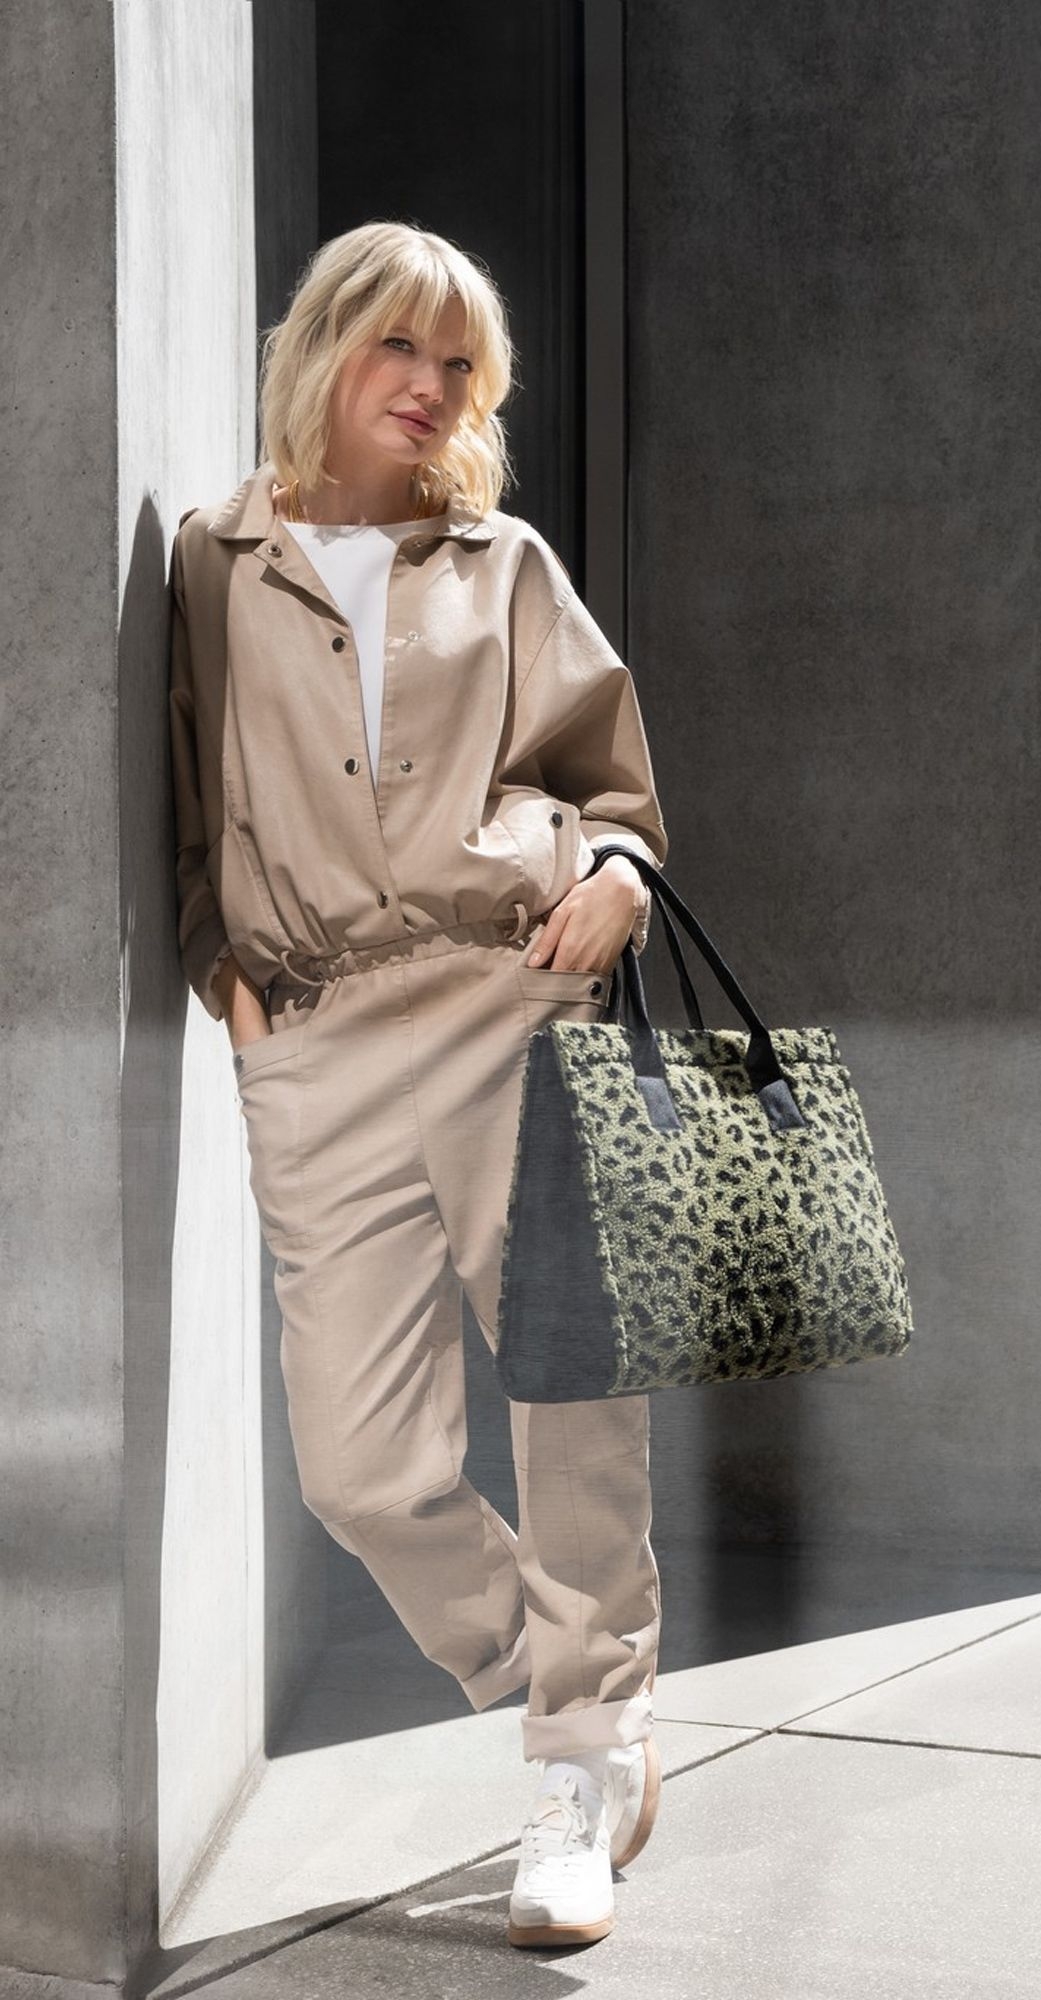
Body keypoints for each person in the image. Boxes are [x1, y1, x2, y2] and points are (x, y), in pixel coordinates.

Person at [167, 220, 664, 1951]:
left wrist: (617, 872)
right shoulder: (215, 562)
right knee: (363, 1471)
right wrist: (232, 993)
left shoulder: (503, 563)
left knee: (566, 1402)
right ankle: (574, 1690)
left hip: (509, 1000)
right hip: (309, 1038)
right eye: (403, 351)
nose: (434, 390)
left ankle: (577, 1772)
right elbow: (172, 799)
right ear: (324, 350)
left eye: (461, 365)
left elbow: (609, 784)